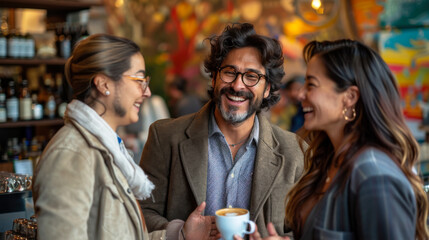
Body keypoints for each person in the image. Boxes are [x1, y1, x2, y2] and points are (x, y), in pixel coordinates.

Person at [235, 39, 429, 240]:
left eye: (311, 85)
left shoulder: (374, 176)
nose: (300, 94)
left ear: (349, 97)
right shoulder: (331, 161)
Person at [33, 34, 217, 240]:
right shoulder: (70, 156)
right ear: (103, 84)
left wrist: (182, 235)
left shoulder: (107, 148)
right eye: (139, 79)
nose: (146, 92)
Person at [139, 22, 305, 238]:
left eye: (252, 76)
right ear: (215, 77)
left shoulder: (296, 152)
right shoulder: (165, 137)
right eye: (229, 72)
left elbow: (307, 228)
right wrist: (181, 233)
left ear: (268, 89)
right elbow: (141, 212)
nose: (237, 85)